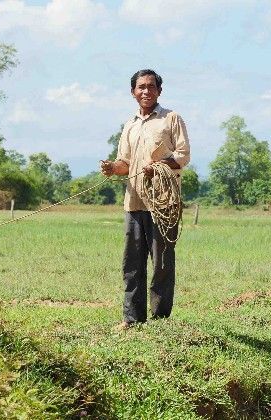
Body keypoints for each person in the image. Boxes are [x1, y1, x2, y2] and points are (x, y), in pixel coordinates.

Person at [99, 69, 191, 329]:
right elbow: (125, 163)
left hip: (163, 203)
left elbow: (182, 156)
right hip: (134, 203)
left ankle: (161, 319)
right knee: (132, 263)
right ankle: (132, 318)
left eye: (151, 87)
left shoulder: (171, 119)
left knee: (161, 262)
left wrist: (158, 165)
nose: (146, 91)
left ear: (159, 91)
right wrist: (112, 168)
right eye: (141, 87)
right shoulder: (129, 125)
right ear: (133, 92)